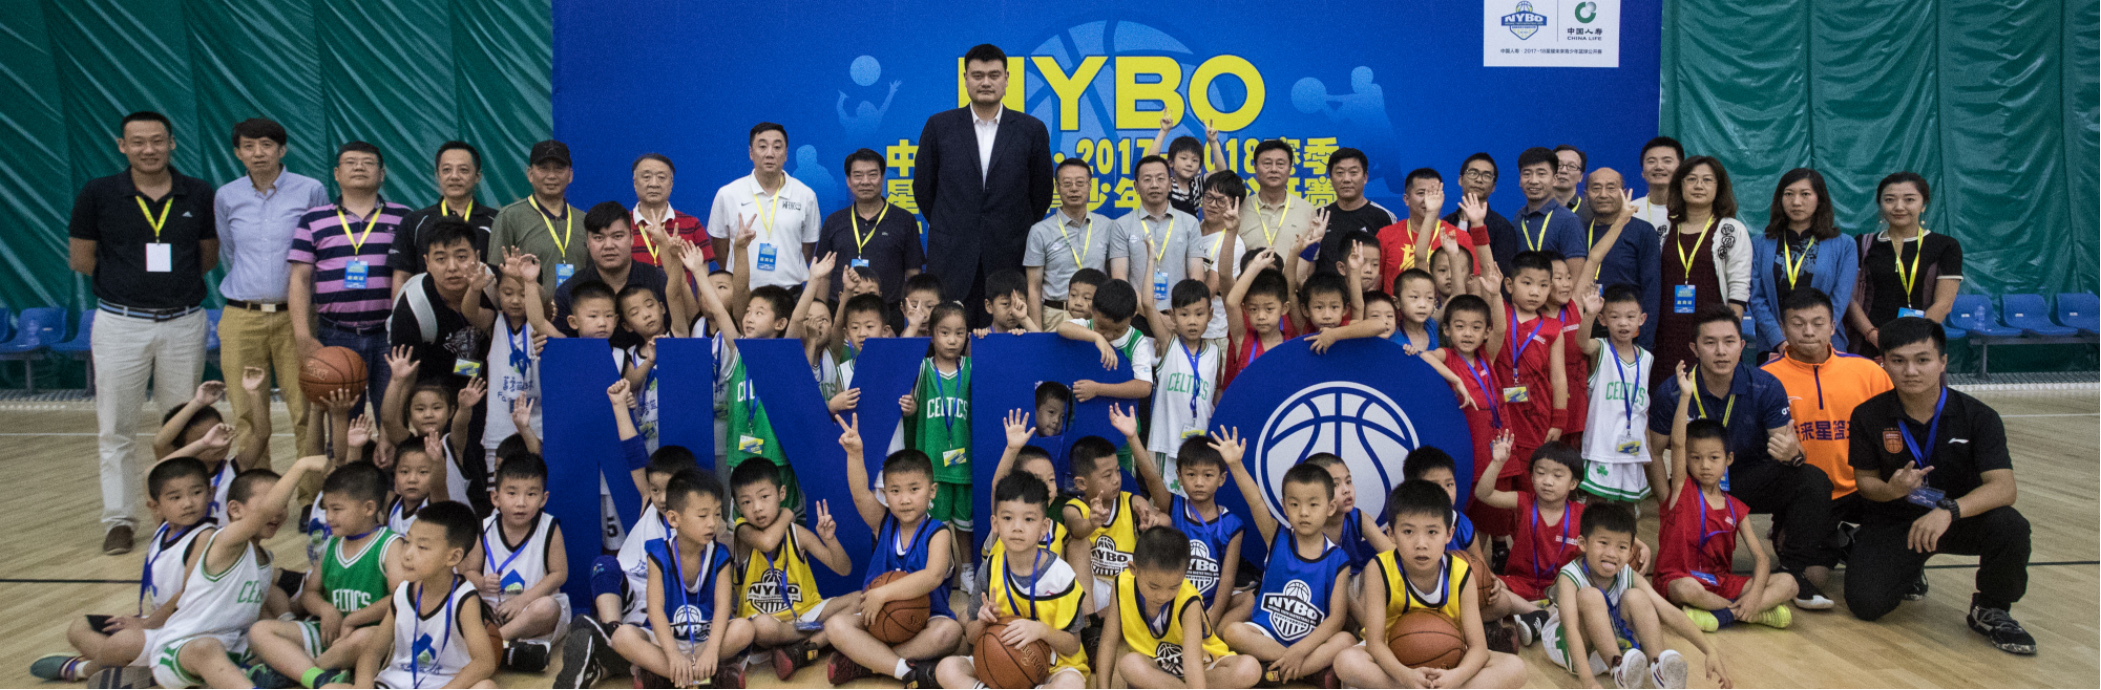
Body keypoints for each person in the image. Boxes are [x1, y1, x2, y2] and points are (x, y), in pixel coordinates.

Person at [71, 111, 218, 555]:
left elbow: (207, 258)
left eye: (157, 140)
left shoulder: (198, 192)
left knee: (184, 426)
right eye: (138, 142)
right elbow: (82, 259)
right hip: (120, 323)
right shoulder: (98, 193)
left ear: (172, 143)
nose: (148, 149)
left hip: (183, 322)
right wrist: (130, 287)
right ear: (122, 146)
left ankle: (185, 514)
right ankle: (119, 519)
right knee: (116, 427)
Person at [1843, 317, 2034, 654]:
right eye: (1898, 361)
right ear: (1883, 362)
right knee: (1866, 604)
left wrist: (1949, 510)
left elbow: (2004, 488)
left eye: (1922, 360)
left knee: (2010, 525)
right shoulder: (1867, 415)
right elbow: (1865, 482)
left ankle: (1991, 608)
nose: (1910, 371)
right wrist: (1891, 491)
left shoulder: (1979, 417)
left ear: (1943, 361)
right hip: (1896, 521)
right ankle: (1905, 565)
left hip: (1957, 519)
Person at [1647, 305, 1827, 600]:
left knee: (1812, 478)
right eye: (1710, 342)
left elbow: (1789, 451)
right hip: (1697, 487)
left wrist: (1794, 453)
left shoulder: (1765, 386)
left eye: (1729, 342)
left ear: (1742, 346)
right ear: (1694, 348)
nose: (1721, 351)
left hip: (1750, 480)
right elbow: (1654, 452)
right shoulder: (1673, 391)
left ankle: (1793, 569)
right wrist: (1670, 505)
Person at [1758, 287, 1891, 609]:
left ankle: (1888, 552)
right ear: (1783, 327)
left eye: (1818, 323)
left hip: (1865, 488)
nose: (1808, 332)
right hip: (1809, 496)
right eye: (1798, 323)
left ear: (1833, 327)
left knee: (1907, 504)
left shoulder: (1868, 372)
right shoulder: (1764, 379)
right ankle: (1841, 539)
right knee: (1811, 578)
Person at [1331, 481, 1528, 690]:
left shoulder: (1462, 574)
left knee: (1515, 667)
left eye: (1432, 532)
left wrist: (1456, 678)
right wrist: (1405, 677)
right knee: (1346, 662)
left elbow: (1478, 648)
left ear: (1449, 534)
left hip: (1450, 658)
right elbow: (1375, 643)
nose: (1421, 544)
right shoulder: (1379, 569)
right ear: (1391, 533)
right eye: (1408, 532)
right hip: (1393, 659)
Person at [30, 458, 213, 683]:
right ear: (155, 505)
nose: (188, 503)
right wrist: (204, 443)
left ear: (210, 494)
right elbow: (150, 473)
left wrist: (146, 623)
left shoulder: (205, 536)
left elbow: (186, 595)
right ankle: (145, 669)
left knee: (123, 642)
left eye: (196, 492)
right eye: (175, 497)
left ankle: (83, 669)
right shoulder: (164, 527)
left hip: (188, 630)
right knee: (79, 627)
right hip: (161, 622)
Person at [913, 43, 1055, 323]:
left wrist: (1009, 226)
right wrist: (954, 222)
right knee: (950, 336)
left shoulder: (1030, 129)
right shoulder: (940, 126)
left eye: (994, 75)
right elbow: (924, 188)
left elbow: (1041, 194)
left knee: (1006, 339)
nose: (986, 82)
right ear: (965, 79)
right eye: (978, 75)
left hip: (1009, 254)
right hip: (952, 255)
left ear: (1006, 79)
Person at [215, 117, 329, 457]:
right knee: (246, 413)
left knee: (305, 409)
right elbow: (229, 251)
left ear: (282, 150)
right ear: (237, 153)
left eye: (266, 145)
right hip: (242, 316)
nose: (258, 153)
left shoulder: (310, 190)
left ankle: (311, 487)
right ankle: (255, 487)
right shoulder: (227, 196)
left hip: (295, 316)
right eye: (248, 146)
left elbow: (322, 248)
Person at [825, 415, 965, 686]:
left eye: (914, 489)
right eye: (895, 491)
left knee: (950, 632)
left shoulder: (938, 533)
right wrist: (855, 454)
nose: (905, 499)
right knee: (835, 626)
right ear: (885, 494)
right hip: (878, 619)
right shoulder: (883, 522)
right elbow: (860, 494)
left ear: (932, 491)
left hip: (926, 620)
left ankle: (868, 662)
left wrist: (882, 594)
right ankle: (904, 670)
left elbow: (933, 576)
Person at [1656, 375, 1798, 631]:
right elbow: (1677, 443)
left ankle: (1728, 613)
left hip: (1719, 583)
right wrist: (1685, 396)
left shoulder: (1735, 506)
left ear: (1728, 459)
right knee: (1687, 589)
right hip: (1680, 579)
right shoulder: (1681, 490)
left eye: (1713, 458)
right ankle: (1749, 613)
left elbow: (1762, 559)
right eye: (1696, 458)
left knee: (1789, 583)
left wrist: (1754, 596)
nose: (1705, 465)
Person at [1217, 433, 1359, 686]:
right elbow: (1255, 500)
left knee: (1346, 640)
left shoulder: (1338, 559)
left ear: (1329, 508)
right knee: (1234, 631)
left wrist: (1301, 649)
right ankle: (1304, 671)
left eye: (1313, 505)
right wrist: (1236, 465)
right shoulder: (1277, 538)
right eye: (1294, 504)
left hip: (1309, 640)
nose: (1303, 512)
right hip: (1266, 635)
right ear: (1284, 506)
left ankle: (1273, 672)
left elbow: (1336, 618)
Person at [246, 462, 402, 688]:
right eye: (326, 508)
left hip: (368, 634)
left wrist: (353, 619)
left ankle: (296, 671)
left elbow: (399, 599)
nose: (328, 517)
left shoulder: (390, 544)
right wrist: (325, 609)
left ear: (368, 508)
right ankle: (317, 677)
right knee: (259, 631)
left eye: (336, 509)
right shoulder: (332, 544)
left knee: (366, 638)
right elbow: (309, 593)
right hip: (329, 631)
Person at [1541, 503, 1729, 689]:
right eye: (1603, 543)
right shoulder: (1569, 576)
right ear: (1583, 543)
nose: (1612, 553)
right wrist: (1588, 681)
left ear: (1631, 551)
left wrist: (1709, 651)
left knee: (1637, 597)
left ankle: (1658, 666)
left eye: (1622, 547)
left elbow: (1667, 610)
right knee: (1591, 597)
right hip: (1573, 650)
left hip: (1609, 641)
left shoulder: (1626, 573)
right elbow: (1571, 628)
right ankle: (1618, 667)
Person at [933, 472, 1092, 690]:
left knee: (1072, 684)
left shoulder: (1061, 576)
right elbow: (970, 636)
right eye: (1008, 518)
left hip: (1053, 669)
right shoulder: (989, 570)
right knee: (946, 669)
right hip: (998, 663)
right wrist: (982, 622)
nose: (1017, 527)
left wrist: (1041, 631)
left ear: (1044, 527)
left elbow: (1073, 645)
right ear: (995, 523)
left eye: (1029, 519)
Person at [290, 141, 411, 415]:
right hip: (335, 335)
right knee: (341, 420)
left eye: (368, 163)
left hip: (389, 335)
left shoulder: (404, 217)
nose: (359, 167)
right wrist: (303, 336)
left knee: (394, 419)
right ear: (336, 173)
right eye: (351, 162)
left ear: (382, 174)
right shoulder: (312, 220)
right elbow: (299, 280)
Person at [607, 469, 755, 688]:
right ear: (674, 518)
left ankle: (665, 676)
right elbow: (655, 610)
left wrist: (712, 650)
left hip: (706, 639)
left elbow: (723, 605)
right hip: (666, 641)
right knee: (621, 637)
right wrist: (673, 654)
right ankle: (705, 675)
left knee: (745, 629)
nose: (712, 523)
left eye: (716, 514)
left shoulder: (720, 555)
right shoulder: (658, 555)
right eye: (703, 516)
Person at [355, 501, 502, 689]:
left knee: (486, 687)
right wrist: (362, 685)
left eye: (422, 547)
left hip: (443, 684)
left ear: (453, 557)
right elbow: (373, 652)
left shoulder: (464, 598)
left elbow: (484, 662)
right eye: (407, 542)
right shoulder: (403, 592)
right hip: (394, 684)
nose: (407, 554)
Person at [729, 459, 852, 680]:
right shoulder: (743, 531)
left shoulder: (797, 534)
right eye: (746, 502)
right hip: (765, 620)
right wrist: (786, 514)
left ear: (782, 493)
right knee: (762, 627)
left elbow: (843, 569)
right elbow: (767, 542)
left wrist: (830, 540)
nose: (757, 507)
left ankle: (803, 649)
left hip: (805, 612)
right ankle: (816, 640)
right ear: (738, 507)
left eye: (764, 497)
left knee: (861, 599)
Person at [1095, 525, 1259, 689]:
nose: (1162, 595)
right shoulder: (1121, 585)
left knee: (1250, 669)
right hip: (1157, 670)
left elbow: (1192, 660)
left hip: (1201, 667)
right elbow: (1108, 642)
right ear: (1133, 569)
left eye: (1174, 587)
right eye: (1154, 586)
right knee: (1129, 664)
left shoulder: (1189, 598)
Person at [460, 453, 571, 669]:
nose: (521, 503)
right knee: (463, 606)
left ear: (543, 499)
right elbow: (468, 571)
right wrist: (481, 582)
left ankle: (491, 643)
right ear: (495, 498)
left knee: (547, 608)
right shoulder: (484, 528)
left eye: (531, 494)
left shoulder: (549, 527)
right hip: (491, 611)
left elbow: (559, 574)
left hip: (529, 613)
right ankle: (510, 652)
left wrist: (522, 601)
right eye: (512, 493)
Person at [1651, 155, 1752, 382]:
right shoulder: (1662, 229)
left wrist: (1727, 338)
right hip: (1666, 332)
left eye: (1707, 180)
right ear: (1680, 185)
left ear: (1719, 187)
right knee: (1666, 391)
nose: (1699, 186)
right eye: (1691, 179)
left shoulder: (1731, 230)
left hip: (1711, 335)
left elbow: (1738, 289)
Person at [1846, 172, 1962, 357]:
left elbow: (1944, 303)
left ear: (1923, 205)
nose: (1899, 207)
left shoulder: (1945, 246)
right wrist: (1873, 335)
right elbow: (1850, 300)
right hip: (1868, 344)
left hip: (1920, 343)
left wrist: (1910, 340)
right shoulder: (1862, 244)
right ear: (1880, 204)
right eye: (1889, 199)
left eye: (1909, 199)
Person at [1750, 168, 1858, 354]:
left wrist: (1815, 337)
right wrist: (1780, 341)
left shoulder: (1844, 245)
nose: (1796, 202)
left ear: (1820, 199)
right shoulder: (1760, 244)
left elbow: (1840, 299)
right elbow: (1756, 298)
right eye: (1789, 194)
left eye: (1805, 194)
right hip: (1774, 347)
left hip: (1825, 346)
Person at [708, 123, 823, 291]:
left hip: (789, 292)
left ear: (786, 154)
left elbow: (808, 247)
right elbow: (720, 245)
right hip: (742, 291)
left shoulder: (806, 196)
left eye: (777, 147)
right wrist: (738, 276)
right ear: (751, 153)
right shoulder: (728, 194)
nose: (770, 154)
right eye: (762, 147)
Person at [1575, 285, 1656, 503]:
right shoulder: (1600, 349)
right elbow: (1581, 343)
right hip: (1601, 448)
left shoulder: (1647, 359)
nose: (1623, 323)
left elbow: (1643, 408)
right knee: (1596, 505)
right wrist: (1589, 315)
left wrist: (1647, 442)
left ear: (1641, 319)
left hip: (1632, 448)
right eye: (1615, 317)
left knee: (1628, 508)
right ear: (1603, 319)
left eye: (1630, 316)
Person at [388, 219, 496, 383]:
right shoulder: (413, 305)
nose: (452, 267)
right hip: (435, 387)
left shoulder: (493, 285)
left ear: (477, 257)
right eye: (440, 259)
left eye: (461, 257)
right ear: (427, 263)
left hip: (490, 385)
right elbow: (404, 379)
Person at [816, 148, 923, 304]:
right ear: (848, 181)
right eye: (858, 175)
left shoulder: (904, 220)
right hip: (840, 310)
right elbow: (824, 275)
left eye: (872, 175)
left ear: (882, 178)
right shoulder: (834, 221)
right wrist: (821, 310)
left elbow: (913, 273)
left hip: (887, 311)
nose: (865, 181)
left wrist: (910, 310)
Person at [553, 202, 668, 344]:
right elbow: (562, 348)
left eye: (617, 236)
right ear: (587, 242)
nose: (608, 246)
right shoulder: (569, 291)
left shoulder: (657, 280)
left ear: (632, 238)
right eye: (598, 238)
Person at [390, 141, 497, 286]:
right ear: (437, 175)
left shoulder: (497, 220)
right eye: (446, 170)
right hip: (429, 301)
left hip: (483, 299)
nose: (454, 176)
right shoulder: (414, 221)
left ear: (478, 176)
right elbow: (402, 275)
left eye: (463, 170)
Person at [489, 140, 586, 295]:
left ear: (570, 175)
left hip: (579, 308)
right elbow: (495, 275)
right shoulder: (509, 217)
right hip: (529, 309)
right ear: (530, 174)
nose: (551, 176)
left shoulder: (584, 220)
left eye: (559, 168)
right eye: (543, 168)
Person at [1026, 158, 1114, 328]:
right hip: (1056, 316)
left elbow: (1114, 278)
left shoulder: (1107, 226)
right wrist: (1036, 334)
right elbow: (1033, 288)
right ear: (1057, 187)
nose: (1074, 188)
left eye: (1080, 183)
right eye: (1067, 183)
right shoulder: (1040, 231)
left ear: (1090, 185)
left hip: (1097, 317)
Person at [1580, 168, 1662, 349]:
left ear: (1624, 194)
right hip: (1585, 330)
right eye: (1596, 188)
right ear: (1586, 195)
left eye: (1611, 188)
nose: (1603, 194)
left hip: (1627, 334)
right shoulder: (1578, 231)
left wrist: (1644, 344)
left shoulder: (1642, 232)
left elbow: (1651, 291)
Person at [1376, 168, 1489, 291]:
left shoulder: (1460, 238)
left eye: (1434, 193)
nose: (1428, 200)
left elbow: (1475, 287)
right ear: (1406, 199)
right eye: (1421, 193)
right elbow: (1374, 285)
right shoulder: (1386, 235)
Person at [1509, 147, 1589, 280]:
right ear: (1519, 180)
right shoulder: (1518, 219)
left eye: (1541, 174)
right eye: (1527, 174)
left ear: (1554, 179)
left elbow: (1576, 278)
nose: (1533, 180)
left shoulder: (1568, 220)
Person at [1443, 152, 1524, 277]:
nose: (1479, 180)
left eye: (1486, 176)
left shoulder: (1502, 228)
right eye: (1473, 173)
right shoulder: (1446, 222)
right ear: (1460, 180)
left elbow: (1501, 275)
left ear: (1494, 187)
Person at [1314, 147, 1396, 267]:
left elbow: (1391, 265)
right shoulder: (1318, 216)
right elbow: (1307, 265)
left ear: (1365, 177)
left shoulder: (1383, 217)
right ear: (1330, 178)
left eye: (1353, 173)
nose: (1346, 179)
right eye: (1340, 173)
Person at [628, 153, 710, 269]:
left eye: (661, 177)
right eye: (646, 177)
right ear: (635, 183)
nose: (654, 184)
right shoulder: (622, 224)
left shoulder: (692, 225)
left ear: (671, 183)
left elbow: (702, 276)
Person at [1236, 139, 1315, 254]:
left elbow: (1312, 258)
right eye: (1267, 164)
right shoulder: (1240, 210)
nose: (1274, 169)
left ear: (1290, 169)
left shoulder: (1307, 210)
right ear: (1255, 167)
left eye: (1280, 164)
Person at [1145, 114, 1227, 217]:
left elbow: (1221, 172)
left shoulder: (1197, 184)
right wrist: (1163, 131)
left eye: (1195, 160)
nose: (1189, 164)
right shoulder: (1165, 183)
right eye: (1184, 158)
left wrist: (1213, 142)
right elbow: (1149, 164)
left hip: (1191, 228)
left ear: (1199, 168)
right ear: (1171, 162)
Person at [1628, 137, 1682, 228]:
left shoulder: (1692, 210)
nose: (1659, 167)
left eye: (1667, 161)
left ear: (1681, 169)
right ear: (1643, 172)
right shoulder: (1630, 212)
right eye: (1651, 161)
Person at [1552, 144, 1591, 221]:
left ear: (1581, 177)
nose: (1563, 171)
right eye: (1558, 165)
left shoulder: (1590, 216)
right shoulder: (1534, 210)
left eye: (1571, 166)